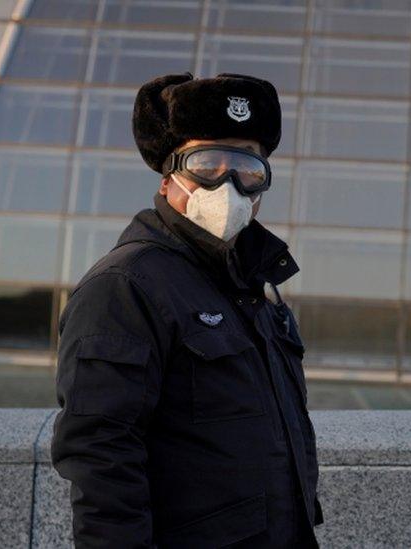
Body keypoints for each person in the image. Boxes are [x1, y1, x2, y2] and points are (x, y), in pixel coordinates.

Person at [50, 72, 323, 548]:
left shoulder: (253, 284)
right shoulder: (126, 286)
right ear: (169, 172)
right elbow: (100, 459)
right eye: (208, 163)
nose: (229, 184)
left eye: (248, 168)